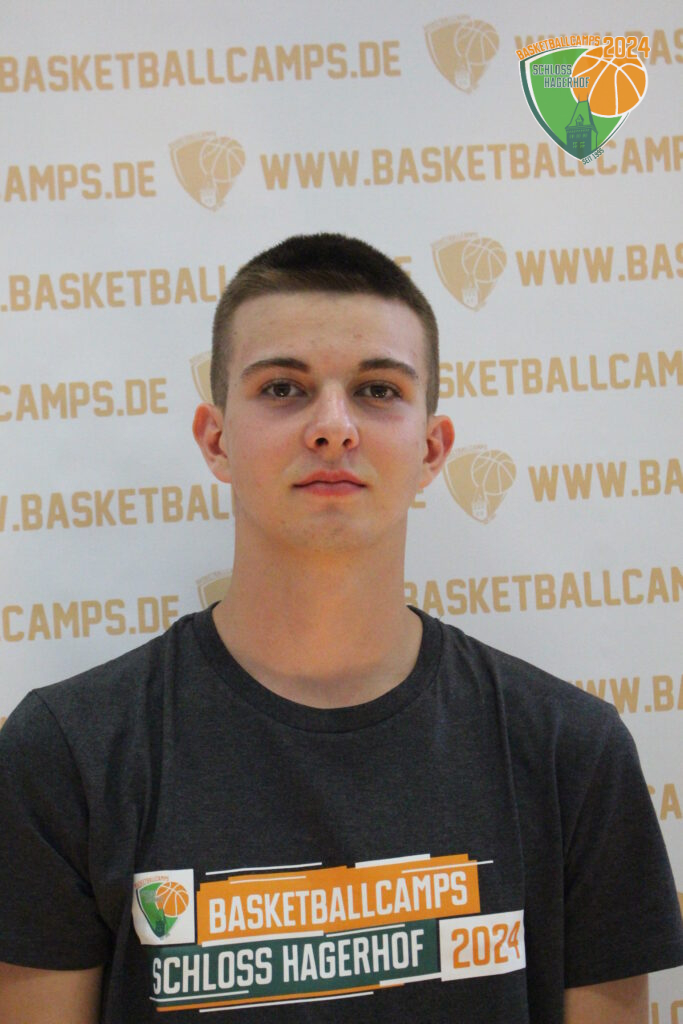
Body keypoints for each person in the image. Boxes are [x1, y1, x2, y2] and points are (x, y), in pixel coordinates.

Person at [0, 233, 680, 1023]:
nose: (332, 427)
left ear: (431, 448)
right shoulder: (66, 753)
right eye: (283, 388)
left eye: (377, 390)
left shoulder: (571, 752)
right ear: (216, 439)